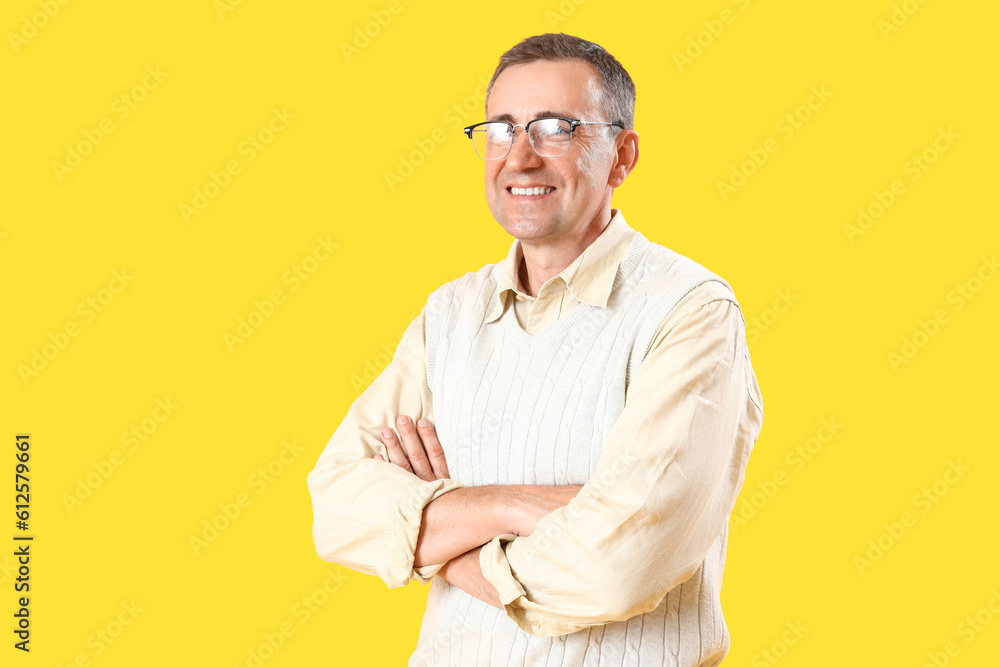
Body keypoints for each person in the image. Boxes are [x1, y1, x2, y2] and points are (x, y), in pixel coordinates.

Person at [306, 32, 764, 666]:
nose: (518, 158)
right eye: (501, 129)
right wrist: (509, 505)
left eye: (556, 129)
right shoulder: (451, 313)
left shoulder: (689, 311)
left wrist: (433, 532)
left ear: (621, 157)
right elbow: (335, 504)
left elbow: (616, 566)